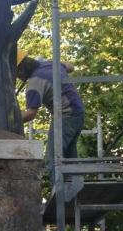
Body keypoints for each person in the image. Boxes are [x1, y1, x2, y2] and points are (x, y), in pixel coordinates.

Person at [17, 52, 84, 184]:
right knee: (69, 157)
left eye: (16, 74)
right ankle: (74, 191)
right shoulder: (48, 64)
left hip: (65, 116)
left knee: (54, 157)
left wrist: (12, 118)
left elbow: (31, 113)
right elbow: (70, 66)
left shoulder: (34, 83)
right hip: (78, 114)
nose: (17, 77)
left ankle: (59, 194)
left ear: (21, 70)